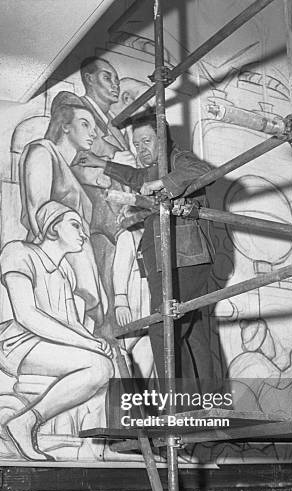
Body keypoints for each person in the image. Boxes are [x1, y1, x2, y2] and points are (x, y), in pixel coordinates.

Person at [75, 113, 215, 390]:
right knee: (190, 334)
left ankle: (173, 406)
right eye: (136, 144)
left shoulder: (178, 159)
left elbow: (202, 171)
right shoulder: (154, 170)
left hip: (184, 260)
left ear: (163, 140)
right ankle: (203, 404)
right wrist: (101, 163)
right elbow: (137, 175)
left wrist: (161, 184)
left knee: (162, 329)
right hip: (166, 263)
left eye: (146, 141)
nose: (141, 149)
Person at [0, 203, 114, 460]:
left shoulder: (64, 272)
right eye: (75, 225)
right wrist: (85, 345)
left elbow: (72, 324)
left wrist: (94, 341)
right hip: (14, 343)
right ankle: (25, 422)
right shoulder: (17, 252)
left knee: (108, 361)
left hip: (43, 342)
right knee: (99, 368)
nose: (84, 234)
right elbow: (26, 315)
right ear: (53, 227)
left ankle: (105, 444)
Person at [18, 91, 107, 328]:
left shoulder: (69, 169)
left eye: (94, 126)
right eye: (85, 124)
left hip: (78, 263)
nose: (93, 132)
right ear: (65, 126)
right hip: (60, 266)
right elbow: (40, 212)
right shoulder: (42, 151)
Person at [113, 226, 155, 380]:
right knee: (140, 346)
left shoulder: (155, 230)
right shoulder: (128, 235)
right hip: (136, 298)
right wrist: (121, 300)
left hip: (152, 296)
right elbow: (120, 269)